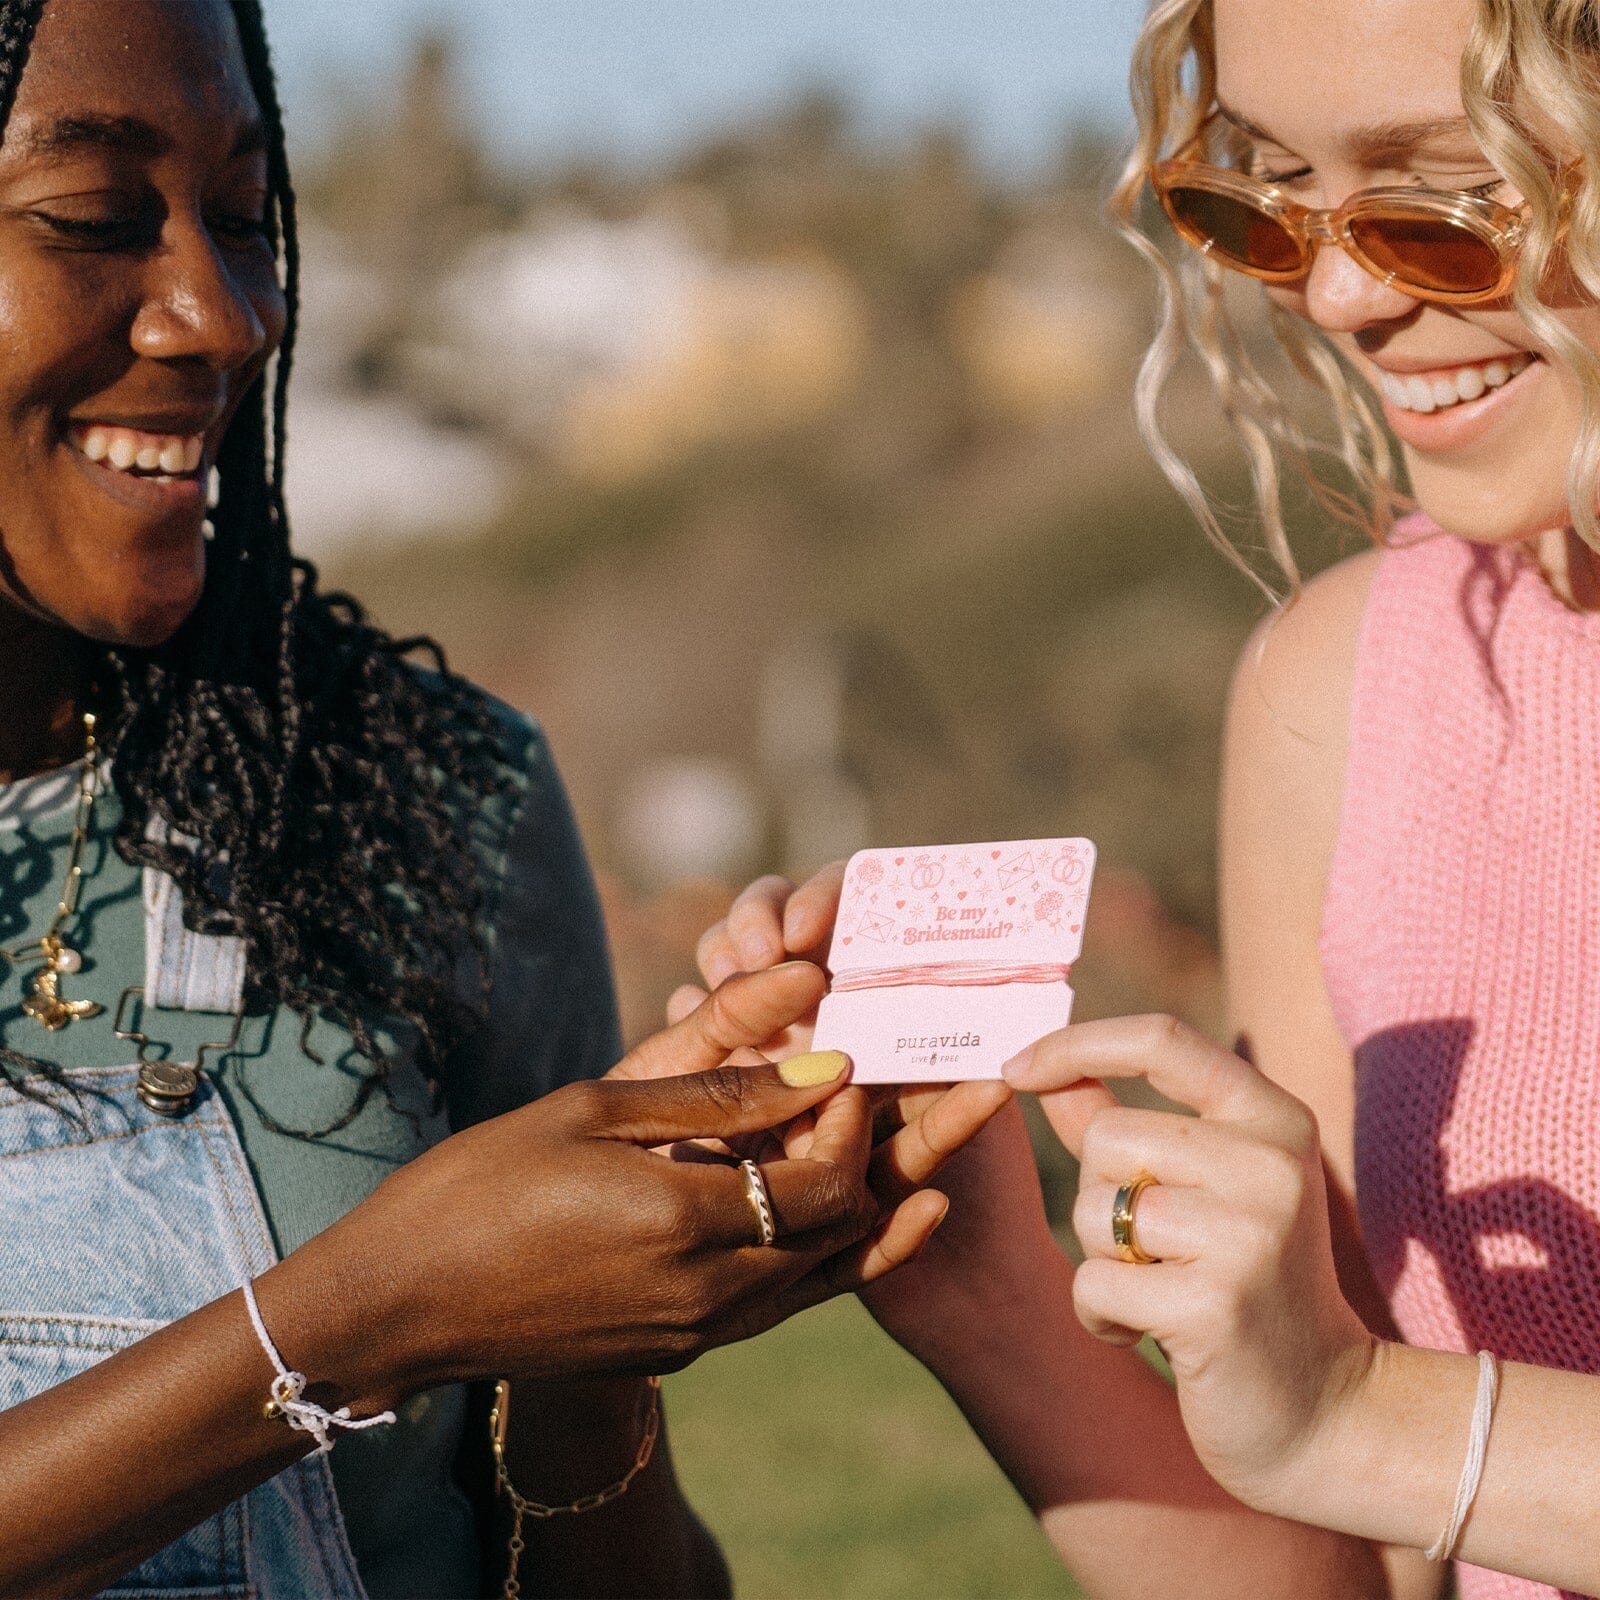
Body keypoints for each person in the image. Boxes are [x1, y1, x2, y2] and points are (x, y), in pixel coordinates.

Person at [0, 2, 1009, 1596]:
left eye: (245, 219)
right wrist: (365, 1313)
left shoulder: (416, 802)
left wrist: (583, 1361)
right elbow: (375, 1313)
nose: (223, 316)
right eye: (93, 215)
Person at [691, 0, 1600, 1594]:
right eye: (1275, 196)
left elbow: (1365, 1432)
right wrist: (981, 1277)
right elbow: (1355, 1569)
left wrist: (1368, 1417)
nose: (1339, 291)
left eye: (1454, 192)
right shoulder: (1351, 692)